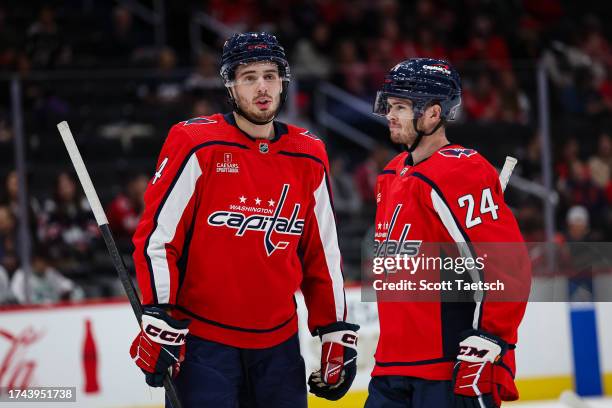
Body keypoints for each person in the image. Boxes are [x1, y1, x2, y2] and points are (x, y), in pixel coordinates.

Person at [129, 32, 359, 407]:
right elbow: (158, 237)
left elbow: (323, 254)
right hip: (203, 346)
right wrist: (158, 315)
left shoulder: (309, 153)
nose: (262, 87)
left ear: (284, 84)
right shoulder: (196, 143)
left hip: (279, 348)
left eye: (270, 76)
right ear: (230, 86)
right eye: (248, 77)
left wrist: (334, 329)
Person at [365, 58, 531, 408]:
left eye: (401, 107)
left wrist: (490, 337)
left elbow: (507, 264)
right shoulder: (390, 173)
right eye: (389, 105)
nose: (390, 114)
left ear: (432, 113)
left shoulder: (461, 171)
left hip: (445, 369)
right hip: (391, 367)